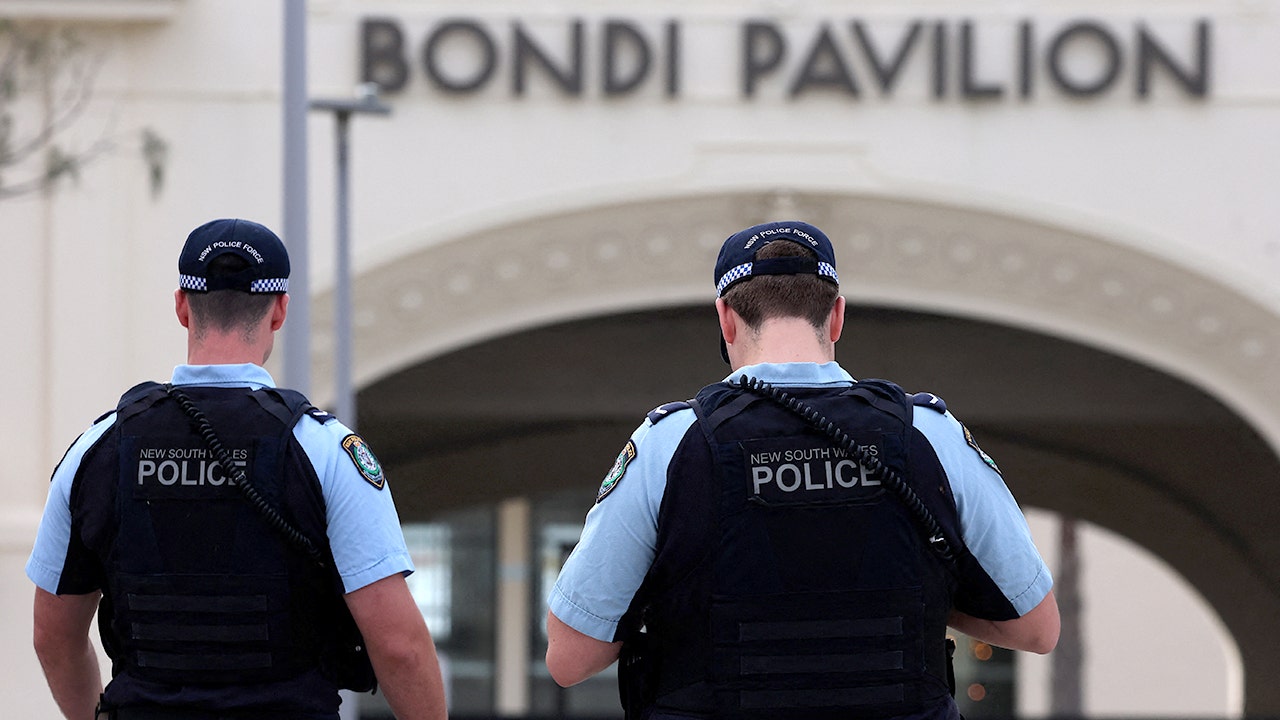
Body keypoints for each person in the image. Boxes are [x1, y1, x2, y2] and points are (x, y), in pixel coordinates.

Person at [545, 220, 1059, 720]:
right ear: (836, 316)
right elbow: (1037, 628)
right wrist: (917, 602)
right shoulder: (931, 434)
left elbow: (569, 659)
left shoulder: (670, 445)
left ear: (726, 319)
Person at [27, 218, 448, 720]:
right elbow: (400, 647)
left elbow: (53, 635)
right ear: (280, 310)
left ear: (182, 306)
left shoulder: (96, 451)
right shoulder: (325, 451)